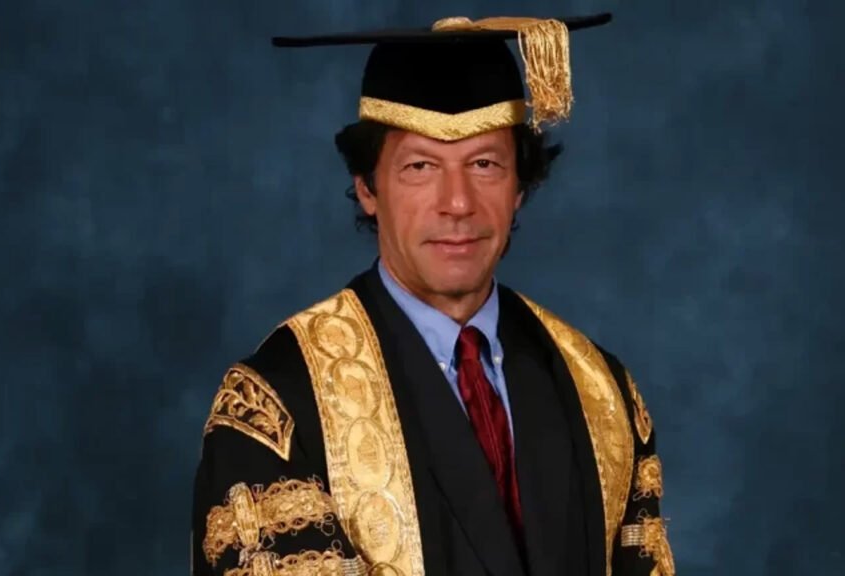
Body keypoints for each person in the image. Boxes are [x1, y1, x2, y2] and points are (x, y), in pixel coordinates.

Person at [191, 12, 675, 576]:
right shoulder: (280, 403)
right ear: (368, 188)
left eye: (485, 164)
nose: (458, 203)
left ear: (520, 185)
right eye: (421, 167)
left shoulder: (601, 389)